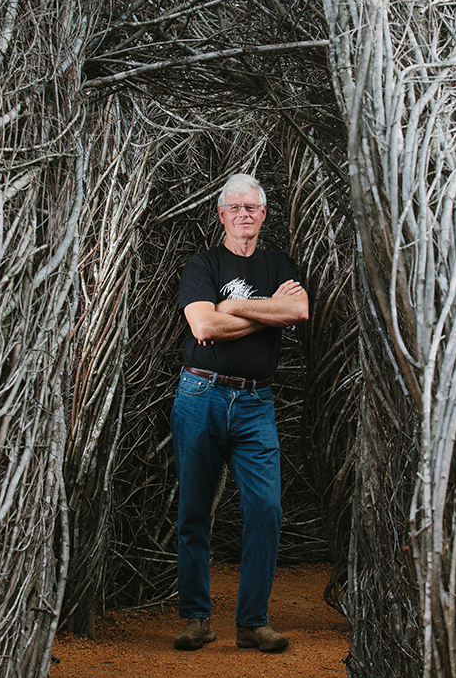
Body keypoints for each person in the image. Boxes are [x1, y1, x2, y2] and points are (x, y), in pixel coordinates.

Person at [171, 172, 308, 653]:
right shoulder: (202, 264)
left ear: (263, 214)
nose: (244, 214)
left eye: (252, 207)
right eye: (235, 208)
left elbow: (299, 312)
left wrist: (236, 307)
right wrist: (266, 311)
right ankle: (196, 618)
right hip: (200, 395)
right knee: (194, 510)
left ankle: (251, 621)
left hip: (255, 403)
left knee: (266, 509)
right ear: (221, 215)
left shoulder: (278, 264)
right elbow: (204, 325)